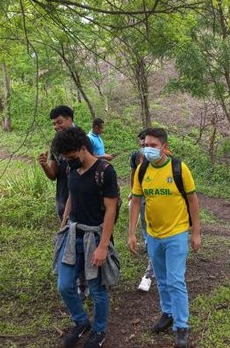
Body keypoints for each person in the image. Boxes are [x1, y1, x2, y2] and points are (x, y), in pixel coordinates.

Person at [128, 128, 201, 348]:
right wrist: (131, 232)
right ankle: (167, 313)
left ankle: (182, 326)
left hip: (177, 234)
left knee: (176, 280)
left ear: (164, 148)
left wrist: (196, 232)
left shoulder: (179, 168)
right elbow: (136, 202)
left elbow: (193, 201)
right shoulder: (142, 170)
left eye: (153, 146)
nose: (148, 149)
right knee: (161, 278)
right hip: (153, 235)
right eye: (145, 145)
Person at [51, 127, 120, 348]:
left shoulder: (105, 171)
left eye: (71, 157)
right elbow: (72, 194)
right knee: (64, 285)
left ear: (83, 149)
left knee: (96, 288)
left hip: (94, 236)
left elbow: (111, 209)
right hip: (72, 234)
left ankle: (99, 331)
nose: (69, 161)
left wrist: (102, 246)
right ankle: (81, 322)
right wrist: (63, 225)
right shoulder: (72, 168)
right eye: (65, 158)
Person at [38, 106, 93, 299]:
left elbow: (90, 171)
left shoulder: (83, 141)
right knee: (70, 243)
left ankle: (90, 282)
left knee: (85, 242)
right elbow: (54, 175)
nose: (56, 126)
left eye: (59, 122)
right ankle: (78, 281)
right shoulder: (56, 144)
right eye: (53, 123)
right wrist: (45, 166)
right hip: (63, 200)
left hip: (81, 202)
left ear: (70, 119)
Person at [129, 128, 155, 292]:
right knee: (148, 234)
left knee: (154, 237)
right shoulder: (135, 157)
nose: (145, 148)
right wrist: (133, 193)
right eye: (142, 145)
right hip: (143, 199)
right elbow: (133, 175)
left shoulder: (168, 163)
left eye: (148, 144)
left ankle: (148, 275)